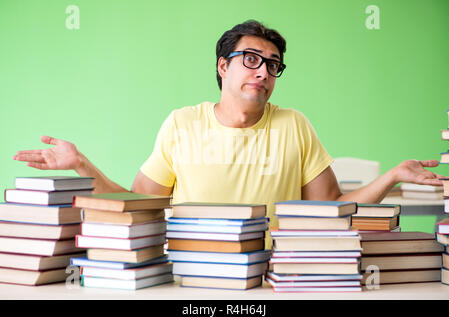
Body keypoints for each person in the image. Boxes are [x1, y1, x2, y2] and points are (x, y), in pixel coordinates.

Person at [13, 20, 444, 231]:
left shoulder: (295, 125)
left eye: (273, 65)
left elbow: (330, 209)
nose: (263, 71)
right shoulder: (182, 123)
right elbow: (139, 204)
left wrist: (392, 175)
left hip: (276, 276)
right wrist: (83, 166)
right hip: (191, 273)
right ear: (223, 66)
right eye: (251, 59)